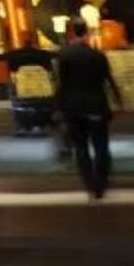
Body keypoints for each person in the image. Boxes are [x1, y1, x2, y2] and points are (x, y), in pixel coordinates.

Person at [52, 18, 126, 200]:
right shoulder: (96, 55)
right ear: (87, 32)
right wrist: (118, 99)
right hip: (95, 105)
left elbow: (61, 83)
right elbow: (107, 78)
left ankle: (89, 183)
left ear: (70, 32)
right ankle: (101, 183)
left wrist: (59, 106)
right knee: (101, 146)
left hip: (73, 107)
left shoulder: (64, 56)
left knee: (81, 147)